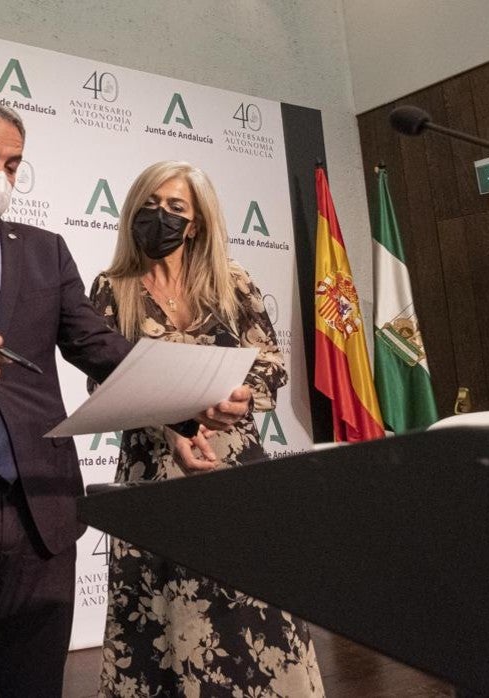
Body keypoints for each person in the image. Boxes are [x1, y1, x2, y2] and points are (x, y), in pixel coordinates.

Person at [0, 104, 251, 697]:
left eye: (12, 164)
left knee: (36, 685)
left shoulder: (46, 249)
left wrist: (191, 401)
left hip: (41, 505)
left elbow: (98, 348)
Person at [90, 161, 324, 697]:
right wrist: (171, 420)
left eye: (176, 208)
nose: (161, 217)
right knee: (162, 609)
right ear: (131, 211)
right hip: (153, 472)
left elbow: (271, 365)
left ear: (195, 224)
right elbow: (100, 385)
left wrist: (240, 400)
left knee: (249, 604)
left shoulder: (231, 280)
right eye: (150, 204)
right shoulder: (112, 288)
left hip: (234, 466)